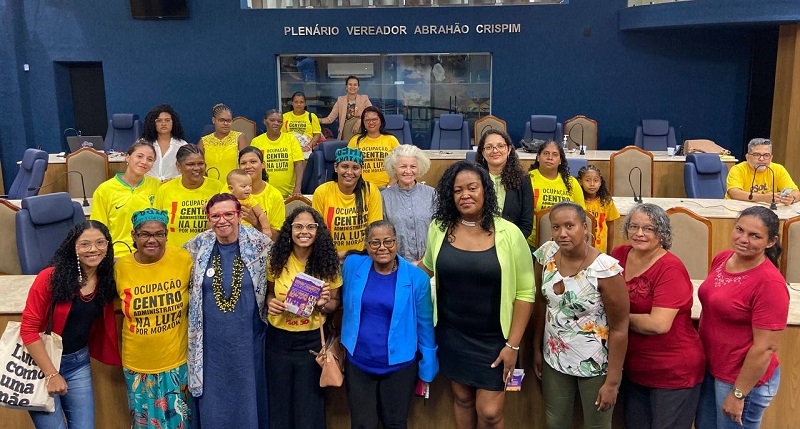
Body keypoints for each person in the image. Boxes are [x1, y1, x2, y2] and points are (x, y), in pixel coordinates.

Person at [420, 160, 534, 428]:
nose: (465, 195)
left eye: (472, 188)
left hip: (496, 338)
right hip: (452, 333)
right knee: (462, 399)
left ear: (486, 191)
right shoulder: (439, 227)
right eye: (457, 190)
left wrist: (513, 345)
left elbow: (526, 293)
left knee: (490, 412)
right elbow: (426, 269)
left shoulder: (510, 233)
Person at [532, 201, 629, 429]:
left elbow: (620, 328)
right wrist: (536, 348)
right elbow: (541, 304)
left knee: (596, 425)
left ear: (585, 228)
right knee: (555, 422)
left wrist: (612, 382)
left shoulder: (604, 270)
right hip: (554, 358)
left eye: (569, 226)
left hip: (595, 364)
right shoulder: (547, 255)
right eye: (556, 227)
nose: (562, 234)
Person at [610, 203, 704, 429]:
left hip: (673, 372)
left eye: (648, 229)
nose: (639, 233)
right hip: (634, 370)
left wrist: (616, 318)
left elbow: (658, 324)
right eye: (633, 226)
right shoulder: (619, 255)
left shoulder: (671, 269)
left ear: (662, 233)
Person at [695, 206, 789, 429]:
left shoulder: (769, 283)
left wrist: (738, 394)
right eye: (740, 230)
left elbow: (765, 348)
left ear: (770, 242)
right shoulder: (723, 258)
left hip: (741, 382)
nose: (743, 239)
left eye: (754, 235)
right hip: (711, 369)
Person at [20, 221, 120, 428]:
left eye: (100, 242)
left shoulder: (107, 278)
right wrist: (51, 374)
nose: (93, 249)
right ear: (73, 247)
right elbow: (28, 330)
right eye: (85, 244)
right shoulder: (50, 278)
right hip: (40, 364)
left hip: (78, 363)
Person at [184, 193, 272, 428]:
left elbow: (275, 285)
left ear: (239, 215)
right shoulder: (196, 246)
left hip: (248, 341)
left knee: (246, 399)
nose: (222, 220)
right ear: (208, 218)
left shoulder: (260, 245)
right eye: (215, 215)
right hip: (209, 344)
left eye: (228, 214)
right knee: (213, 403)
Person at [342, 220, 437, 429]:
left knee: (395, 424)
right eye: (375, 242)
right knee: (361, 424)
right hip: (358, 363)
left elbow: (425, 325)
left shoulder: (417, 279)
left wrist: (428, 363)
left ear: (397, 243)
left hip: (399, 367)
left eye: (388, 241)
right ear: (367, 245)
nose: (382, 247)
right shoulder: (352, 266)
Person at [115, 208, 192, 429]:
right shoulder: (121, 268)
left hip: (177, 363)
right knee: (144, 424)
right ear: (133, 236)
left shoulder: (183, 258)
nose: (153, 240)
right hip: (138, 365)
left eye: (159, 234)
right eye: (145, 234)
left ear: (167, 235)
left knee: (180, 422)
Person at [266, 206, 342, 429]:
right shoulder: (277, 259)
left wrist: (323, 304)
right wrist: (271, 302)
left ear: (318, 231)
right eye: (298, 226)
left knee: (309, 408)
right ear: (290, 229)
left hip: (312, 343)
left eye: (311, 227)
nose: (304, 231)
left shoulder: (328, 262)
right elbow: (270, 292)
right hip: (278, 341)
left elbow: (335, 304)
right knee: (279, 406)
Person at [91, 139, 160, 256]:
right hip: (118, 254)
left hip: (150, 253)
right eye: (139, 156)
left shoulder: (157, 186)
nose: (144, 162)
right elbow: (98, 230)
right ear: (128, 157)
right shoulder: (104, 190)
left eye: (150, 159)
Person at [312, 147, 383, 260]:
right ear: (336, 167)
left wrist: (354, 256)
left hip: (363, 258)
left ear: (361, 170)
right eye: (344, 166)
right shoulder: (322, 192)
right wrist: (334, 256)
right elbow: (317, 232)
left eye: (355, 168)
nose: (349, 172)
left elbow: (374, 231)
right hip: (330, 258)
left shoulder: (371, 190)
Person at [154, 144, 225, 246]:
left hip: (209, 253)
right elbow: (156, 225)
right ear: (178, 166)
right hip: (175, 254)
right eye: (190, 164)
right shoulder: (165, 190)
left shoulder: (218, 187)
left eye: (201, 163)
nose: (196, 168)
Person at [474, 129, 534, 239]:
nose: (495, 150)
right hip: (478, 242)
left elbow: (526, 225)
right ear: (482, 152)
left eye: (500, 146)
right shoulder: (474, 179)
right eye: (489, 147)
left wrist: (507, 243)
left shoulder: (523, 180)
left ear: (509, 149)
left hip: (512, 242)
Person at [381, 144, 435, 263]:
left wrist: (424, 261)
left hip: (429, 264)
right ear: (394, 168)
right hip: (396, 264)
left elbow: (439, 231)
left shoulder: (432, 194)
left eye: (413, 166)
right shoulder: (384, 197)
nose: (408, 171)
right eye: (403, 166)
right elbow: (382, 236)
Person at [527, 140, 585, 246]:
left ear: (560, 160)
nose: (550, 158)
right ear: (538, 157)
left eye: (555, 155)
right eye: (546, 153)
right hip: (531, 243)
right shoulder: (527, 179)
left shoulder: (571, 182)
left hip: (565, 243)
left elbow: (581, 215)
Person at [726, 137, 799, 205]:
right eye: (757, 155)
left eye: (766, 155)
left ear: (771, 158)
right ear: (747, 157)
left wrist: (792, 199)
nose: (761, 159)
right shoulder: (738, 169)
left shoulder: (778, 169)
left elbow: (796, 192)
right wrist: (763, 198)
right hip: (739, 209)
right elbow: (734, 192)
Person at [250, 109, 305, 197]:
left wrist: (297, 188)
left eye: (279, 121)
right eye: (272, 120)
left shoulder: (291, 140)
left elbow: (299, 164)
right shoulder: (256, 142)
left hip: (288, 194)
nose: (276, 123)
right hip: (264, 193)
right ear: (265, 121)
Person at [238, 146, 286, 241]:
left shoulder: (274, 195)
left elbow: (278, 237)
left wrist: (255, 222)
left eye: (253, 162)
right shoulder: (231, 189)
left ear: (263, 164)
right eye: (243, 163)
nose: (248, 166)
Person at [347, 106, 400, 188]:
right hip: (361, 188)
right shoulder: (355, 140)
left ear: (381, 121)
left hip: (387, 188)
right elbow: (348, 166)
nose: (371, 122)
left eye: (374, 119)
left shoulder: (391, 140)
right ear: (363, 123)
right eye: (367, 120)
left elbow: (399, 166)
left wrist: (389, 187)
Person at [198, 103, 249, 181]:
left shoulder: (240, 138)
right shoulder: (203, 142)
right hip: (211, 186)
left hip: (235, 186)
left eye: (228, 121)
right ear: (213, 120)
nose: (225, 124)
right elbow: (198, 166)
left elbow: (246, 164)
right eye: (221, 120)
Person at [141, 103, 188, 182]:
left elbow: (187, 171)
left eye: (167, 120)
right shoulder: (143, 144)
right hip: (147, 187)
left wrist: (174, 180)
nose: (163, 124)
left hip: (172, 188)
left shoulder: (182, 145)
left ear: (173, 122)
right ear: (152, 123)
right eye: (159, 121)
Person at [578, 165, 619, 253]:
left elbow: (610, 227)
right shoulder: (577, 201)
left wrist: (609, 252)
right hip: (580, 249)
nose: (592, 184)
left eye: (596, 180)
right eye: (588, 180)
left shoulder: (606, 201)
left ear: (600, 182)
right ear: (580, 182)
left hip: (600, 250)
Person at [319, 75, 373, 142]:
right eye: (350, 84)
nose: (352, 87)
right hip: (345, 136)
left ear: (358, 87)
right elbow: (330, 119)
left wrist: (360, 121)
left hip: (362, 135)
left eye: (355, 85)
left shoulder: (364, 99)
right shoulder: (340, 101)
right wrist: (317, 120)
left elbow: (372, 114)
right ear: (346, 87)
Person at [227, 169, 271, 236]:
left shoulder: (250, 200)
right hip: (231, 232)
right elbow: (215, 206)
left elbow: (261, 214)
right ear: (231, 188)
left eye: (250, 185)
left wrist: (266, 229)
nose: (248, 188)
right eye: (244, 186)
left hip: (248, 232)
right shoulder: (227, 199)